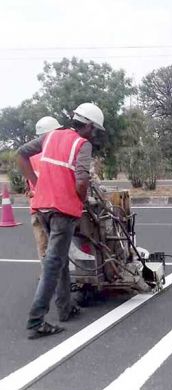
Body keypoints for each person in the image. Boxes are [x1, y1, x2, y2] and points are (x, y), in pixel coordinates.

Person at [17, 103, 105, 339]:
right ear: (86, 125)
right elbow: (82, 180)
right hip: (62, 212)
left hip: (43, 207)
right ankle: (36, 320)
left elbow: (21, 154)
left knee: (60, 258)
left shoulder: (51, 137)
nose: (93, 134)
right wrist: (81, 200)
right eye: (94, 129)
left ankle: (65, 308)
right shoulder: (82, 144)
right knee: (53, 263)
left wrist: (37, 184)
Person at [28, 116, 63, 261]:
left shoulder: (30, 157)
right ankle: (51, 280)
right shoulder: (53, 155)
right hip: (52, 209)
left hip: (37, 209)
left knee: (44, 247)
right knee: (56, 248)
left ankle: (47, 277)